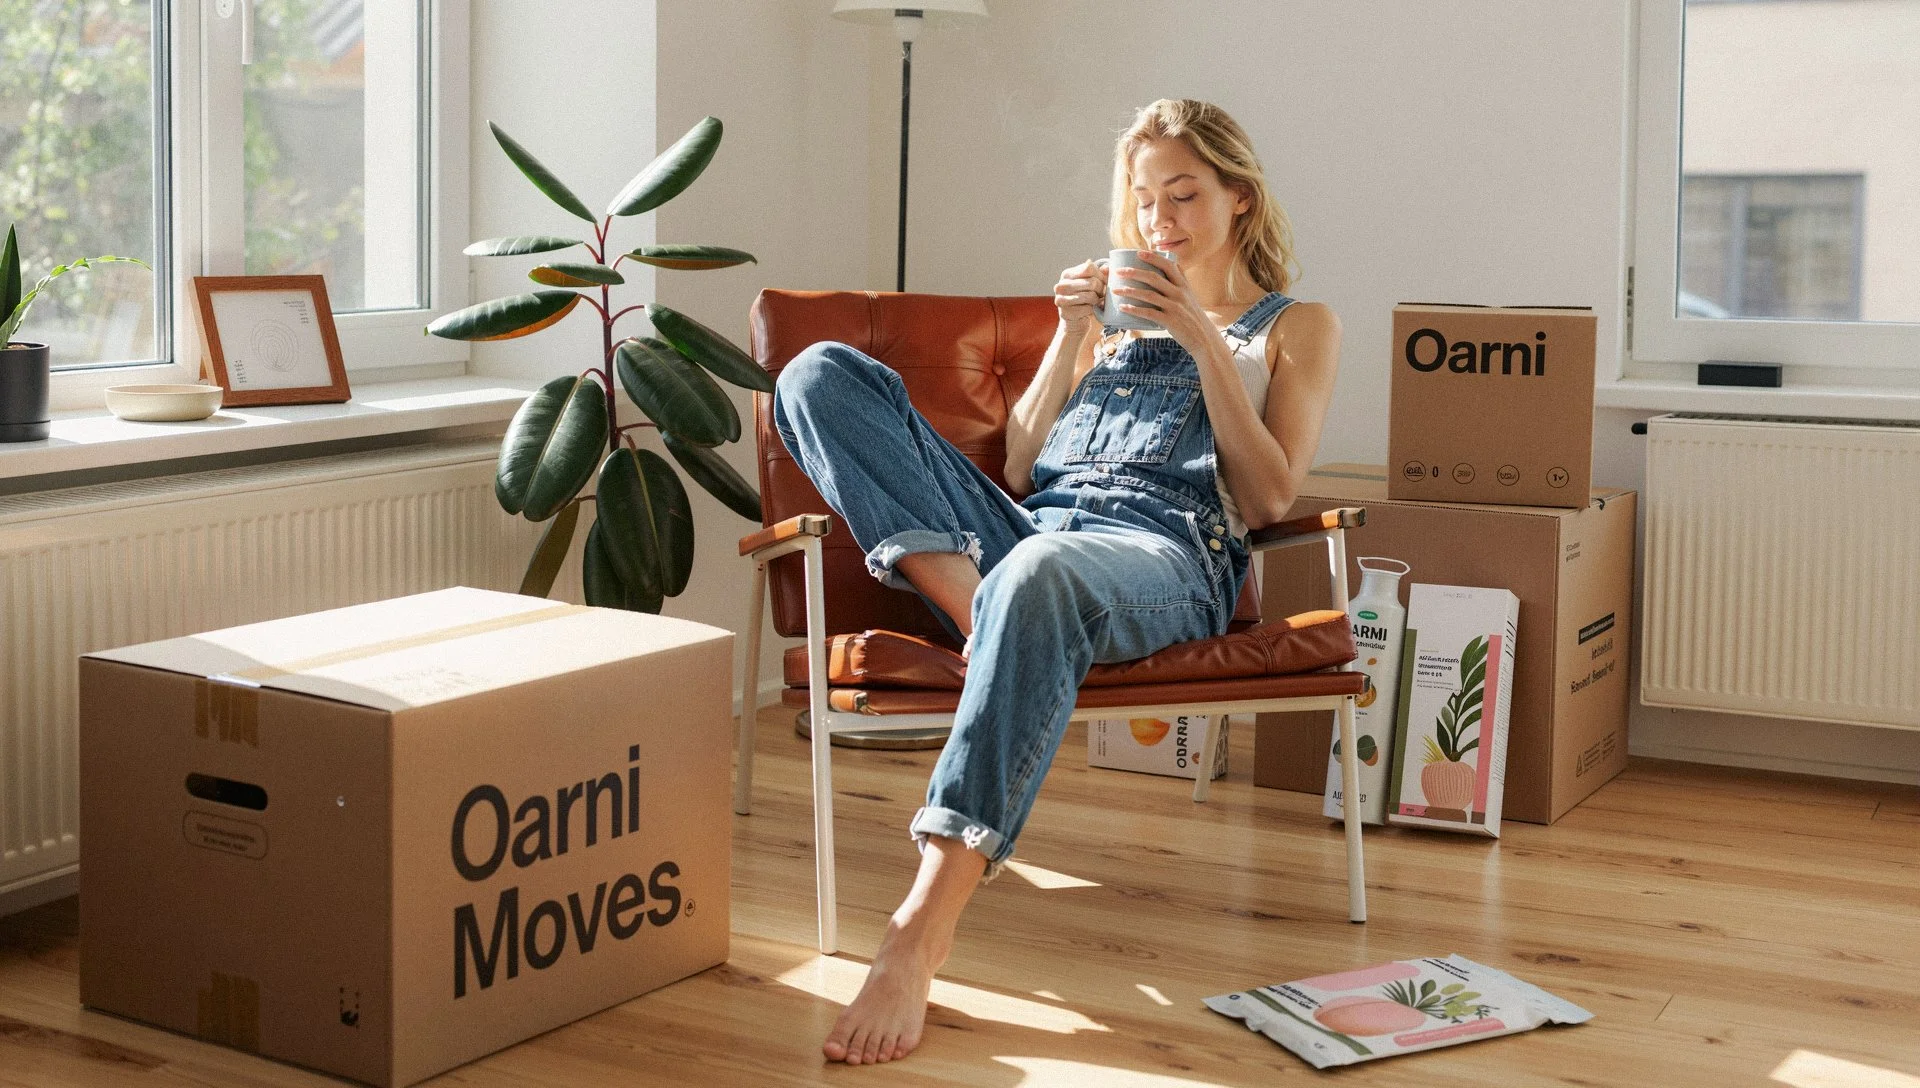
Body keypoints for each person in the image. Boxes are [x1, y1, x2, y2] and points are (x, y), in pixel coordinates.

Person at [771, 97, 1342, 1065]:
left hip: (1166, 553)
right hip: (1036, 532)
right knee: (814, 377)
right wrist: (1071, 343)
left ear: (1240, 197)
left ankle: (920, 924)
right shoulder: (1111, 324)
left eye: (1184, 193)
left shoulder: (1296, 325)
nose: (1159, 218)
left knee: (1036, 572)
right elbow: (1027, 465)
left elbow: (1269, 490)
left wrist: (1205, 342)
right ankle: (985, 602)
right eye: (1145, 197)